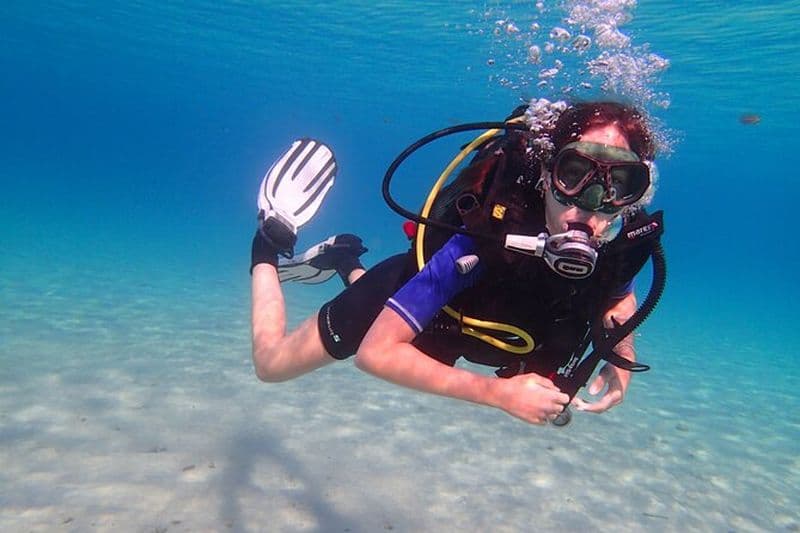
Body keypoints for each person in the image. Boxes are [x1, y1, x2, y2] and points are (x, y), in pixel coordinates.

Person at [250, 101, 665, 426]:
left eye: (619, 183)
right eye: (575, 173)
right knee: (271, 366)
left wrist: (619, 354)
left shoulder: (621, 241)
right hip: (413, 295)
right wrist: (497, 394)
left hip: (459, 327)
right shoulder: (485, 236)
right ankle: (267, 243)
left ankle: (344, 260)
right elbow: (376, 353)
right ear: (545, 172)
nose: (591, 201)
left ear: (636, 194)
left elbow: (618, 293)